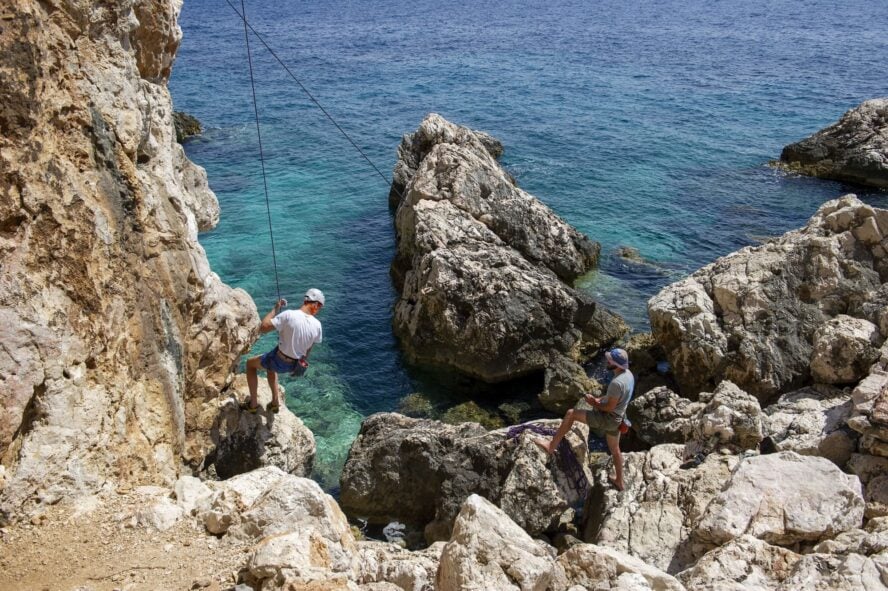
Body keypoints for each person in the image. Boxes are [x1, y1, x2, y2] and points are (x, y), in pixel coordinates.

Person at [534, 348, 635, 491]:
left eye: (610, 360)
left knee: (571, 413)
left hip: (609, 419)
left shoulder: (616, 383)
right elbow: (615, 399)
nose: (607, 361)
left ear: (617, 365)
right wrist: (599, 400)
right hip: (619, 419)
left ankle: (551, 446)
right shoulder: (628, 375)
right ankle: (620, 481)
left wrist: (593, 403)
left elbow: (609, 408)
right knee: (615, 449)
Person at [243, 288, 325, 413]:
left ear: (305, 300)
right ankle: (275, 403)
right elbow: (308, 349)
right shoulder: (318, 325)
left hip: (279, 360)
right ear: (315, 304)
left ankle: (253, 404)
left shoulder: (289, 315)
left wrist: (275, 308)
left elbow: (263, 327)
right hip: (295, 366)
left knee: (250, 364)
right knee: (271, 365)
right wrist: (300, 364)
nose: (318, 310)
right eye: (319, 306)